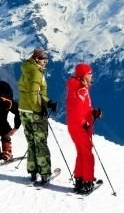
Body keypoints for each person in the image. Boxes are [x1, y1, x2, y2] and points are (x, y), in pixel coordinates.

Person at [18, 47, 57, 185]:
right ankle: (45, 173)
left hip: (23, 110)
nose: (45, 63)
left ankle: (33, 171)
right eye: (43, 60)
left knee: (31, 142)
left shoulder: (26, 69)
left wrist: (48, 103)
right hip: (34, 112)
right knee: (41, 142)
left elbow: (35, 93)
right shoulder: (36, 73)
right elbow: (33, 94)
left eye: (46, 61)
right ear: (36, 59)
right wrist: (39, 110)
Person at [65, 61, 102, 194]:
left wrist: (93, 112)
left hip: (74, 126)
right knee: (87, 155)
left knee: (82, 153)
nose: (91, 75)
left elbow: (83, 108)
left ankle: (80, 179)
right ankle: (87, 182)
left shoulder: (76, 87)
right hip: (81, 127)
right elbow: (76, 110)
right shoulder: (81, 90)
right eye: (89, 73)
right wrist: (83, 123)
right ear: (83, 75)